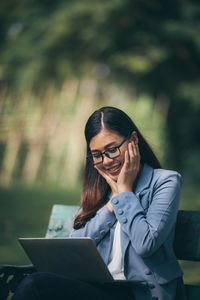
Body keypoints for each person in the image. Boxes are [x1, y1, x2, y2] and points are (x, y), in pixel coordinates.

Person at [13, 106, 186, 300]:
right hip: (99, 288)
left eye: (112, 149)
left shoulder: (165, 181)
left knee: (36, 285)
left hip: (141, 294)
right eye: (97, 155)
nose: (106, 161)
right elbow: (74, 246)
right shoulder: (101, 189)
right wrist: (111, 206)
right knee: (35, 282)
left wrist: (124, 193)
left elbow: (146, 243)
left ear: (133, 140)